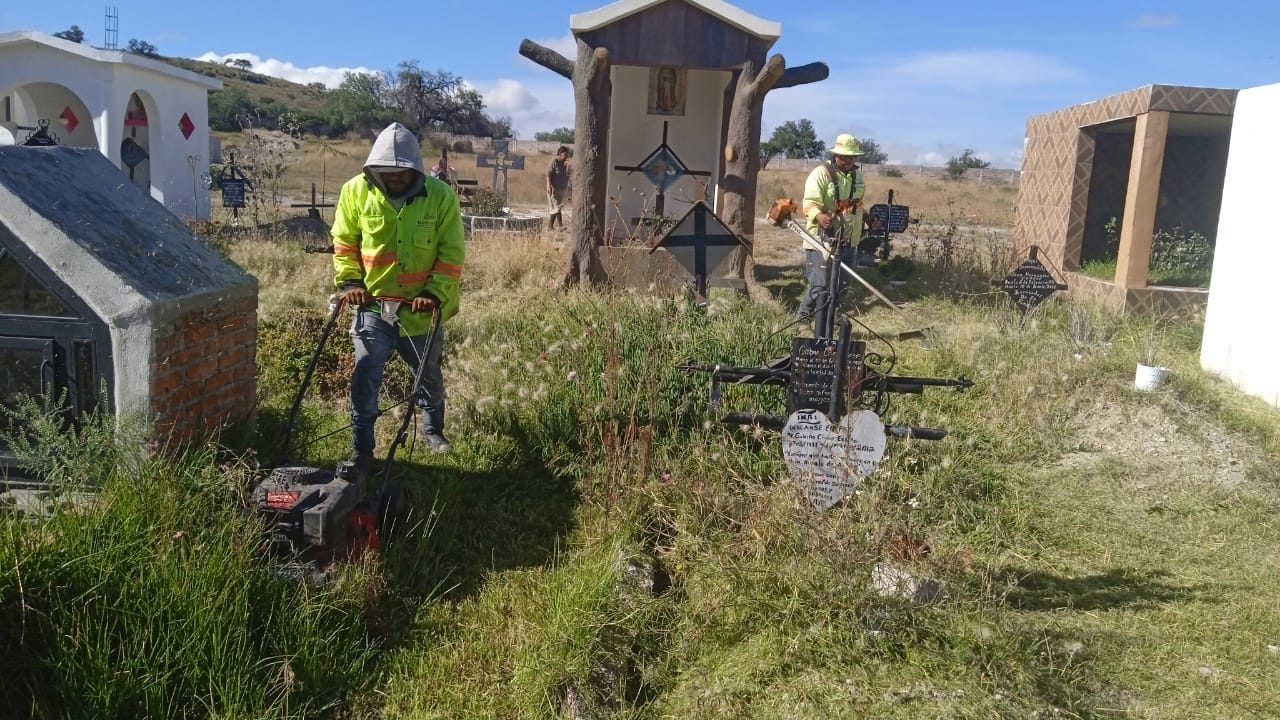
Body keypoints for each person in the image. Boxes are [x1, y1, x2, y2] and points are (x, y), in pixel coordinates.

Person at [331, 122, 465, 470]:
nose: (393, 179)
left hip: (420, 310)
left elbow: (451, 253)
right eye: (385, 173)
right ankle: (362, 448)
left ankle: (433, 430)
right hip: (373, 307)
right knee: (365, 376)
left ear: (415, 171)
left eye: (400, 173)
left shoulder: (440, 196)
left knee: (428, 374)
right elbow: (344, 244)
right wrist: (350, 283)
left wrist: (434, 293)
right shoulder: (354, 192)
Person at [795, 133, 876, 321]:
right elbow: (809, 203)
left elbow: (856, 204)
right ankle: (803, 320)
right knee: (820, 285)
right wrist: (820, 216)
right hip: (821, 240)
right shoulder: (821, 173)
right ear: (835, 155)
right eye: (844, 157)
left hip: (848, 240)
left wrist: (867, 218)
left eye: (852, 157)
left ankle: (830, 320)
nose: (848, 160)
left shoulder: (858, 176)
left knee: (842, 285)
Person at [546, 145, 570, 231]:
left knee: (556, 208)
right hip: (554, 188)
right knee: (557, 207)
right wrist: (549, 185)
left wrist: (568, 166)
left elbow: (569, 174)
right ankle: (560, 225)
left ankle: (550, 226)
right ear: (560, 154)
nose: (566, 156)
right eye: (565, 154)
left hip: (562, 188)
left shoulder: (565, 163)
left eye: (567, 154)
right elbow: (548, 174)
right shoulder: (554, 161)